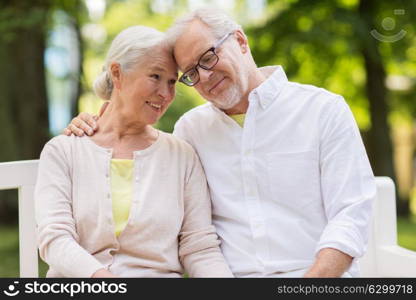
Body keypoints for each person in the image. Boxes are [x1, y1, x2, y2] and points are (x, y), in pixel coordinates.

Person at [65, 8, 376, 278]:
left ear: (240, 41)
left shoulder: (322, 110)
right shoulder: (191, 131)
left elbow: (351, 215)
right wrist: (94, 123)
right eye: (190, 73)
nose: (204, 77)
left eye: (208, 58)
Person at [35, 25, 233, 278]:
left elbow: (200, 248)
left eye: (172, 82)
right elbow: (55, 238)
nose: (165, 93)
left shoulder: (182, 155)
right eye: (155, 76)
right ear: (117, 74)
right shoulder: (64, 151)